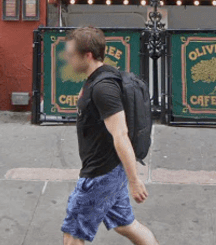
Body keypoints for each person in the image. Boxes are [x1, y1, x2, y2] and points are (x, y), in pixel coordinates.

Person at [60, 27, 158, 245]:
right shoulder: (101, 76)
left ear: (88, 55)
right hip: (112, 171)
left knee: (73, 234)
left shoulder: (103, 88)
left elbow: (120, 134)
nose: (68, 59)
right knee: (127, 225)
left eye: (71, 55)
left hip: (100, 174)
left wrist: (134, 181)